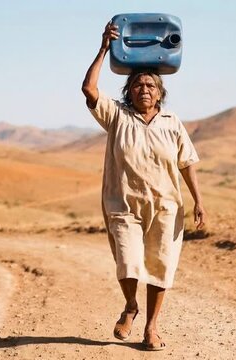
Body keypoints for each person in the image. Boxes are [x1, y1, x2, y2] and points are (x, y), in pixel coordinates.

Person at [81, 21, 206, 351]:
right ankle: (130, 306)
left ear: (160, 93)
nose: (144, 89)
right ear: (128, 92)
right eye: (137, 85)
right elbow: (90, 90)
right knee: (128, 261)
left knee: (160, 266)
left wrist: (199, 201)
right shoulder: (117, 117)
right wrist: (104, 49)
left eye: (150, 85)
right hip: (123, 205)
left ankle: (151, 326)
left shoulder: (172, 122)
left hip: (166, 206)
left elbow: (187, 162)